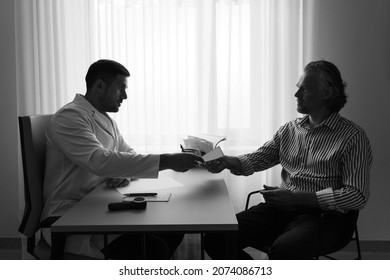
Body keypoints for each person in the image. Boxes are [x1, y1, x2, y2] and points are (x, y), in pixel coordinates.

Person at [204, 60, 372, 259]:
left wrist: (297, 198)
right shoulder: (289, 130)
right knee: (216, 238)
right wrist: (227, 161)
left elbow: (356, 196)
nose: (296, 95)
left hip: (324, 216)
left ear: (328, 93)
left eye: (305, 89)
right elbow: (260, 158)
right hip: (281, 209)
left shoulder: (353, 137)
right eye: (297, 88)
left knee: (285, 250)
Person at [41, 59, 204, 259]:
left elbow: (127, 156)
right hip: (71, 217)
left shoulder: (105, 119)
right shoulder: (69, 117)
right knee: (155, 249)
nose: (125, 96)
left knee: (172, 231)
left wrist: (124, 173)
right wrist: (169, 160)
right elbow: (100, 161)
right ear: (100, 85)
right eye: (121, 88)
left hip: (99, 206)